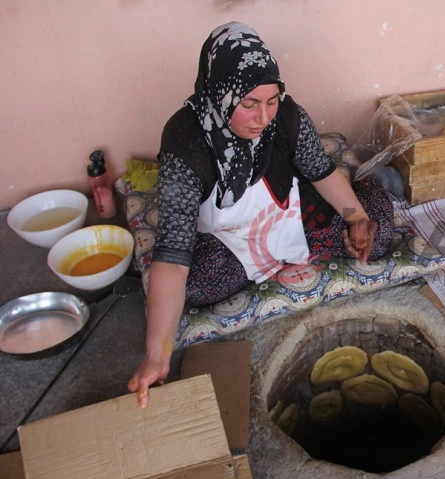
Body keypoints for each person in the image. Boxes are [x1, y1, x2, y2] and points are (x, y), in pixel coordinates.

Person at [128, 22, 394, 407]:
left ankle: (367, 194)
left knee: (377, 233)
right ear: (219, 93)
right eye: (249, 104)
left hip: (289, 214)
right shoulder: (185, 140)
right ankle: (272, 257)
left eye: (271, 100)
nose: (263, 117)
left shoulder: (287, 117)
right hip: (229, 236)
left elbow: (320, 171)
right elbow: (173, 253)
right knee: (196, 286)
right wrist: (157, 353)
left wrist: (354, 217)